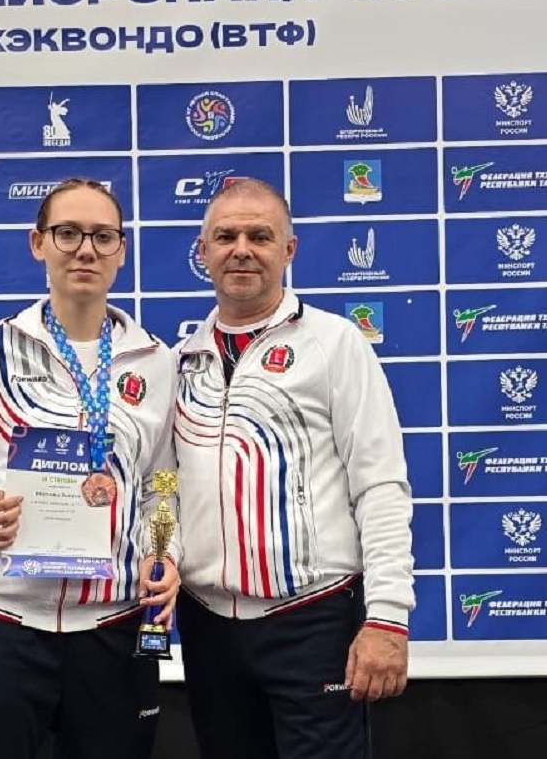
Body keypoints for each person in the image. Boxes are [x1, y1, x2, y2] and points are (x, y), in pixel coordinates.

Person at [0, 178, 181, 759]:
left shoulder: (156, 361)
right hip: (1, 616)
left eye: (102, 236)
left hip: (113, 625)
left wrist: (163, 552)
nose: (85, 250)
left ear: (122, 250)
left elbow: (162, 483)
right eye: (67, 233)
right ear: (38, 243)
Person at [172, 177, 414, 759]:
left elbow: (380, 485)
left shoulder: (335, 343)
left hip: (312, 618)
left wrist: (387, 617)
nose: (242, 249)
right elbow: (164, 491)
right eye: (225, 236)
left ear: (289, 249)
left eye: (260, 236)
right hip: (206, 625)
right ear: (203, 251)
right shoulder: (180, 361)